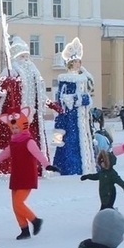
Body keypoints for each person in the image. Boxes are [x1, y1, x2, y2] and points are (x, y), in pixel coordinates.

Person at [0, 36, 50, 174]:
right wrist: (6, 86)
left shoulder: (35, 73)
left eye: (26, 56)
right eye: (22, 56)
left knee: (32, 144)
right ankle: (9, 168)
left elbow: (41, 95)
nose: (25, 59)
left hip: (32, 120)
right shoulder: (9, 72)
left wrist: (51, 104)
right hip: (14, 118)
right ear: (15, 57)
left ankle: (35, 168)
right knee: (13, 145)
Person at [0, 106, 48, 240]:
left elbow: (38, 154)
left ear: (23, 126)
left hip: (27, 176)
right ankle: (24, 229)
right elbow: (3, 155)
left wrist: (47, 165)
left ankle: (35, 220)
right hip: (16, 176)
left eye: (17, 128)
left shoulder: (29, 141)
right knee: (15, 205)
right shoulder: (13, 142)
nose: (15, 130)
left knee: (18, 203)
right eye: (13, 128)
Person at [51, 38, 97, 176]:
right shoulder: (65, 79)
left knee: (84, 141)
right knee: (71, 142)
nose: (78, 64)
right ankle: (72, 167)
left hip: (83, 117)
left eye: (79, 62)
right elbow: (64, 98)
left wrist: (86, 99)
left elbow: (89, 91)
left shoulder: (83, 77)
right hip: (71, 118)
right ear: (70, 63)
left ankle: (87, 166)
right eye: (76, 62)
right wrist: (81, 99)